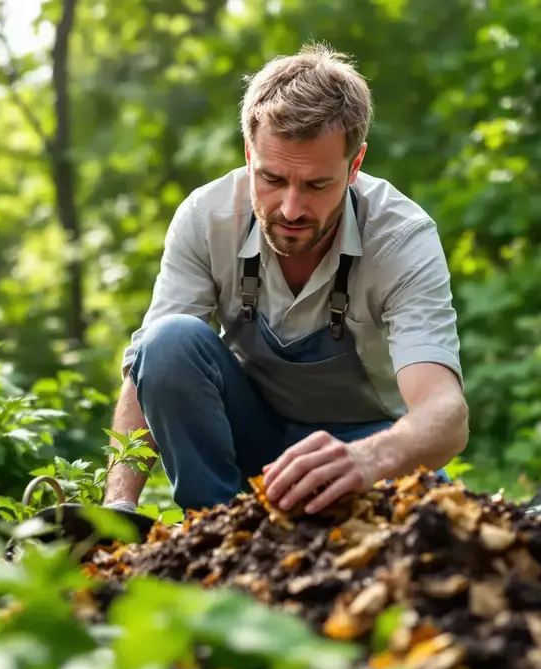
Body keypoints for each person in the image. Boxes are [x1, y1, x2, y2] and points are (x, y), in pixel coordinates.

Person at [101, 43, 469, 517]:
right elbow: (147, 367)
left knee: (427, 526)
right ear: (248, 154)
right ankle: (211, 524)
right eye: (272, 179)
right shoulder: (206, 217)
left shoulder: (401, 239)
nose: (291, 209)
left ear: (354, 166)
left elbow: (446, 414)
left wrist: (366, 458)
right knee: (167, 339)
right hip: (249, 435)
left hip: (361, 449)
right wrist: (118, 507)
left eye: (317, 185)